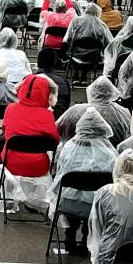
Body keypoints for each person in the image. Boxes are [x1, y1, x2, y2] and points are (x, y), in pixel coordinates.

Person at [49, 105, 116, 254]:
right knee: (91, 197)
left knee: (73, 194)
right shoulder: (110, 153)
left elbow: (58, 175)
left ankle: (70, 235)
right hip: (96, 207)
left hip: (68, 203)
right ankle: (87, 235)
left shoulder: (67, 148)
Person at [0, 72, 59, 213]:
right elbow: (55, 140)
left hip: (11, 161)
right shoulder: (47, 115)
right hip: (38, 166)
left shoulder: (10, 109)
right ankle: (33, 199)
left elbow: (6, 132)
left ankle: (10, 198)